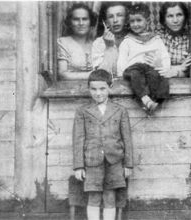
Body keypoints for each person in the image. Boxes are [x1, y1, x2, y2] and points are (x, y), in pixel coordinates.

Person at [72, 69, 133, 220]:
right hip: (92, 162)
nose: (98, 93)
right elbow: (78, 139)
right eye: (93, 89)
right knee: (93, 198)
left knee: (110, 198)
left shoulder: (120, 111)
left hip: (114, 162)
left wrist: (128, 164)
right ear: (89, 88)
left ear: (109, 87)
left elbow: (127, 139)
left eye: (102, 89)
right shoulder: (82, 111)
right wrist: (79, 166)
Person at [117, 3, 171, 113]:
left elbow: (164, 56)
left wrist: (162, 65)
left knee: (158, 77)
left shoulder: (156, 39)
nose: (135, 24)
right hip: (133, 70)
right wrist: (121, 74)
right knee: (136, 74)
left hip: (150, 69)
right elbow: (122, 60)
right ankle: (146, 100)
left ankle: (155, 102)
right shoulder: (127, 41)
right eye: (132, 21)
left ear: (148, 21)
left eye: (139, 20)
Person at [57, 3, 97, 80]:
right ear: (70, 22)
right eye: (76, 19)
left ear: (90, 21)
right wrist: (92, 76)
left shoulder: (96, 44)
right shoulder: (63, 42)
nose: (81, 23)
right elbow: (62, 74)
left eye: (85, 19)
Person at [92, 2, 131, 76]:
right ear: (106, 23)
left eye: (119, 15)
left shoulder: (134, 40)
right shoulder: (98, 43)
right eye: (111, 16)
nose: (115, 20)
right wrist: (108, 48)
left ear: (126, 20)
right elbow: (100, 75)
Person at [155, 2, 191, 78]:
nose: (175, 20)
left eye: (179, 15)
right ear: (164, 20)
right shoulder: (157, 38)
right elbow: (154, 67)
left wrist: (175, 72)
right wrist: (180, 68)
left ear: (185, 17)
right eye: (170, 16)